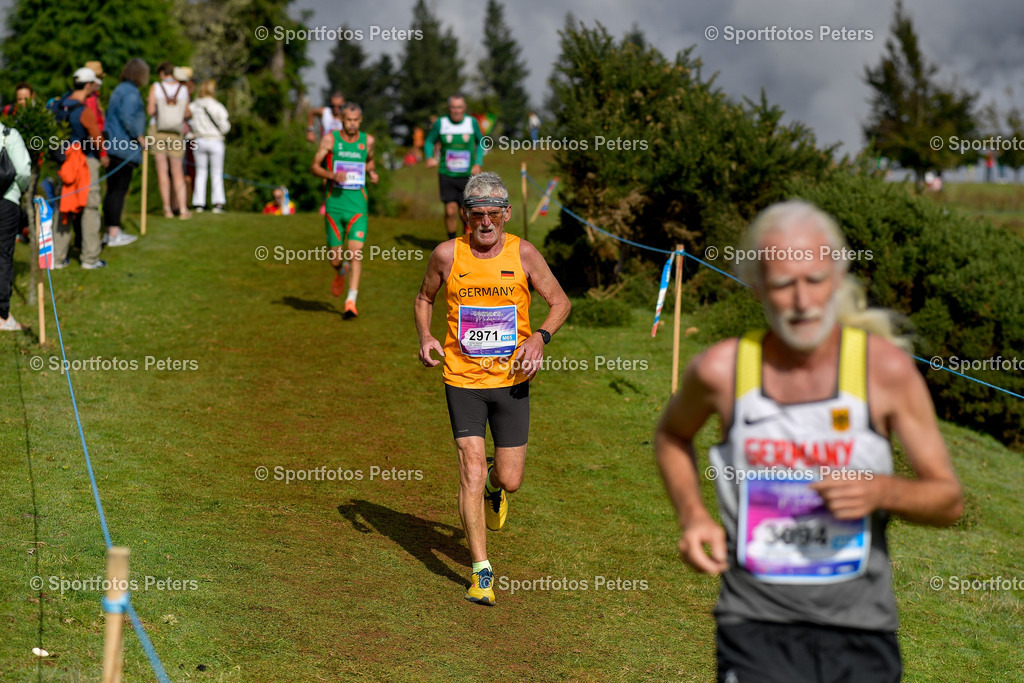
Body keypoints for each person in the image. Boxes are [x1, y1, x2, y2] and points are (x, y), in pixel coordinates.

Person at [655, 200, 964, 682]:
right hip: (755, 625)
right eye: (783, 284)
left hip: (861, 631)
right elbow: (672, 434)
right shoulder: (723, 370)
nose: (802, 301)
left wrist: (882, 491)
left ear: (838, 277)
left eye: (816, 280)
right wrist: (693, 516)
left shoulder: (885, 371)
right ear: (756, 285)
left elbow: (947, 499)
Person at [414, 171, 571, 606]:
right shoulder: (447, 255)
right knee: (469, 464)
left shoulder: (524, 253)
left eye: (493, 215)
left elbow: (560, 301)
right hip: (462, 378)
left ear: (505, 215)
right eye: (477, 214)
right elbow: (424, 298)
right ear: (465, 215)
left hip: (512, 380)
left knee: (510, 477)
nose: (485, 223)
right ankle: (481, 571)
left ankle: (495, 489)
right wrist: (426, 337)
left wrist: (540, 337)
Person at [310, 102, 377, 318]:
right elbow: (315, 167)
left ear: (361, 120)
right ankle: (340, 270)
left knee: (355, 253)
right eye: (348, 120)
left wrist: (373, 174)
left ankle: (351, 301)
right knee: (335, 259)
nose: (352, 124)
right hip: (334, 205)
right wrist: (331, 175)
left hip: (358, 205)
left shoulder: (368, 141)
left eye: (356, 120)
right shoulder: (331, 139)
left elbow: (370, 162)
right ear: (342, 120)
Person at [53, 67, 108, 269]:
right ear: (88, 85)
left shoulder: (59, 106)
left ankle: (57, 257)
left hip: (64, 162)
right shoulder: (83, 111)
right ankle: (90, 258)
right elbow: (97, 139)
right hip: (85, 162)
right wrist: (104, 155)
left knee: (64, 207)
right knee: (90, 207)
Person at [424, 94, 485, 240]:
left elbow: (481, 142)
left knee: (465, 212)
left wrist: (478, 162)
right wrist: (429, 157)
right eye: (453, 107)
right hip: (447, 173)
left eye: (459, 107)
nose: (456, 110)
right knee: (450, 210)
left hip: (467, 175)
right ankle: (451, 241)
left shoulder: (472, 122)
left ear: (464, 108)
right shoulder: (441, 122)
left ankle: (468, 240)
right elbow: (429, 141)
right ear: (449, 108)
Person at [103, 58, 149, 247]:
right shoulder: (131, 92)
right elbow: (127, 117)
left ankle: (109, 231)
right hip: (123, 148)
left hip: (112, 146)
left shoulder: (119, 89)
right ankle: (113, 232)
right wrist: (139, 137)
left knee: (112, 190)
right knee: (118, 191)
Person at [148, 62, 191, 219]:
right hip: (176, 132)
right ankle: (183, 209)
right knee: (178, 171)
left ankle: (167, 209)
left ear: (161, 73)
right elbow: (187, 113)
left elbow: (151, 110)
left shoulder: (156, 87)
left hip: (158, 130)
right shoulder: (183, 89)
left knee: (162, 171)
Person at [0, 124, 31, 329]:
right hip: (6, 201)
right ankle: (2, 315)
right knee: (3, 255)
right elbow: (22, 170)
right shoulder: (8, 134)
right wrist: (17, 190)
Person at [189, 79, 230, 214]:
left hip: (199, 140)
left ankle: (198, 203)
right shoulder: (217, 106)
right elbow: (225, 126)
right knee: (216, 173)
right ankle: (217, 203)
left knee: (201, 173)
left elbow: (189, 123)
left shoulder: (194, 106)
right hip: (215, 141)